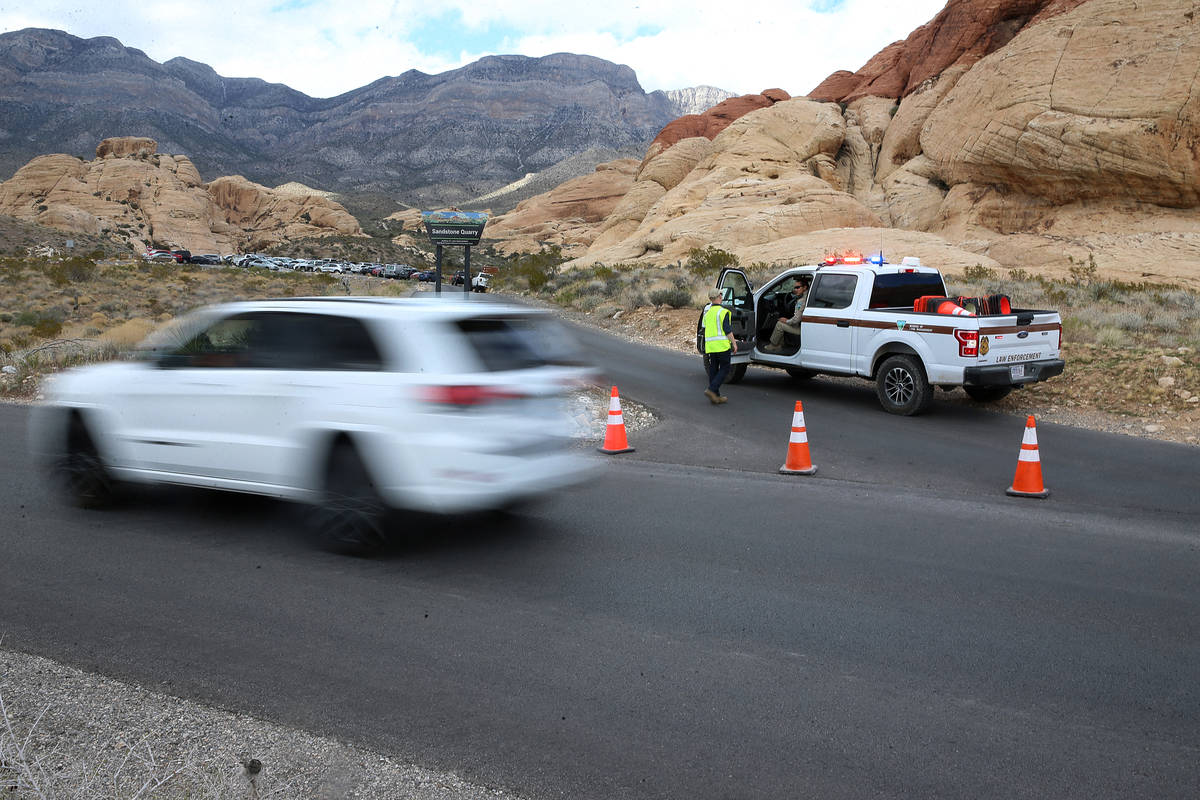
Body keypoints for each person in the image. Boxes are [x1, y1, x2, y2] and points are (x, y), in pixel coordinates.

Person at [701, 288, 737, 404]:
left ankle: (715, 396)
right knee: (725, 368)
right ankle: (712, 389)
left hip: (711, 346)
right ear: (719, 297)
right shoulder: (723, 312)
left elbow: (705, 328)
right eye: (721, 295)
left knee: (713, 368)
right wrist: (734, 343)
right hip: (722, 346)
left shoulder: (707, 313)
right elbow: (727, 331)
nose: (722, 296)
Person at [762, 280, 808, 353]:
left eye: (797, 287)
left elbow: (796, 320)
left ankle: (774, 345)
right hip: (803, 327)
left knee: (780, 324)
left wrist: (786, 321)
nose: (795, 290)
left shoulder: (802, 300)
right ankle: (780, 345)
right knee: (783, 320)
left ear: (805, 287)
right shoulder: (806, 296)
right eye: (794, 288)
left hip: (801, 329)